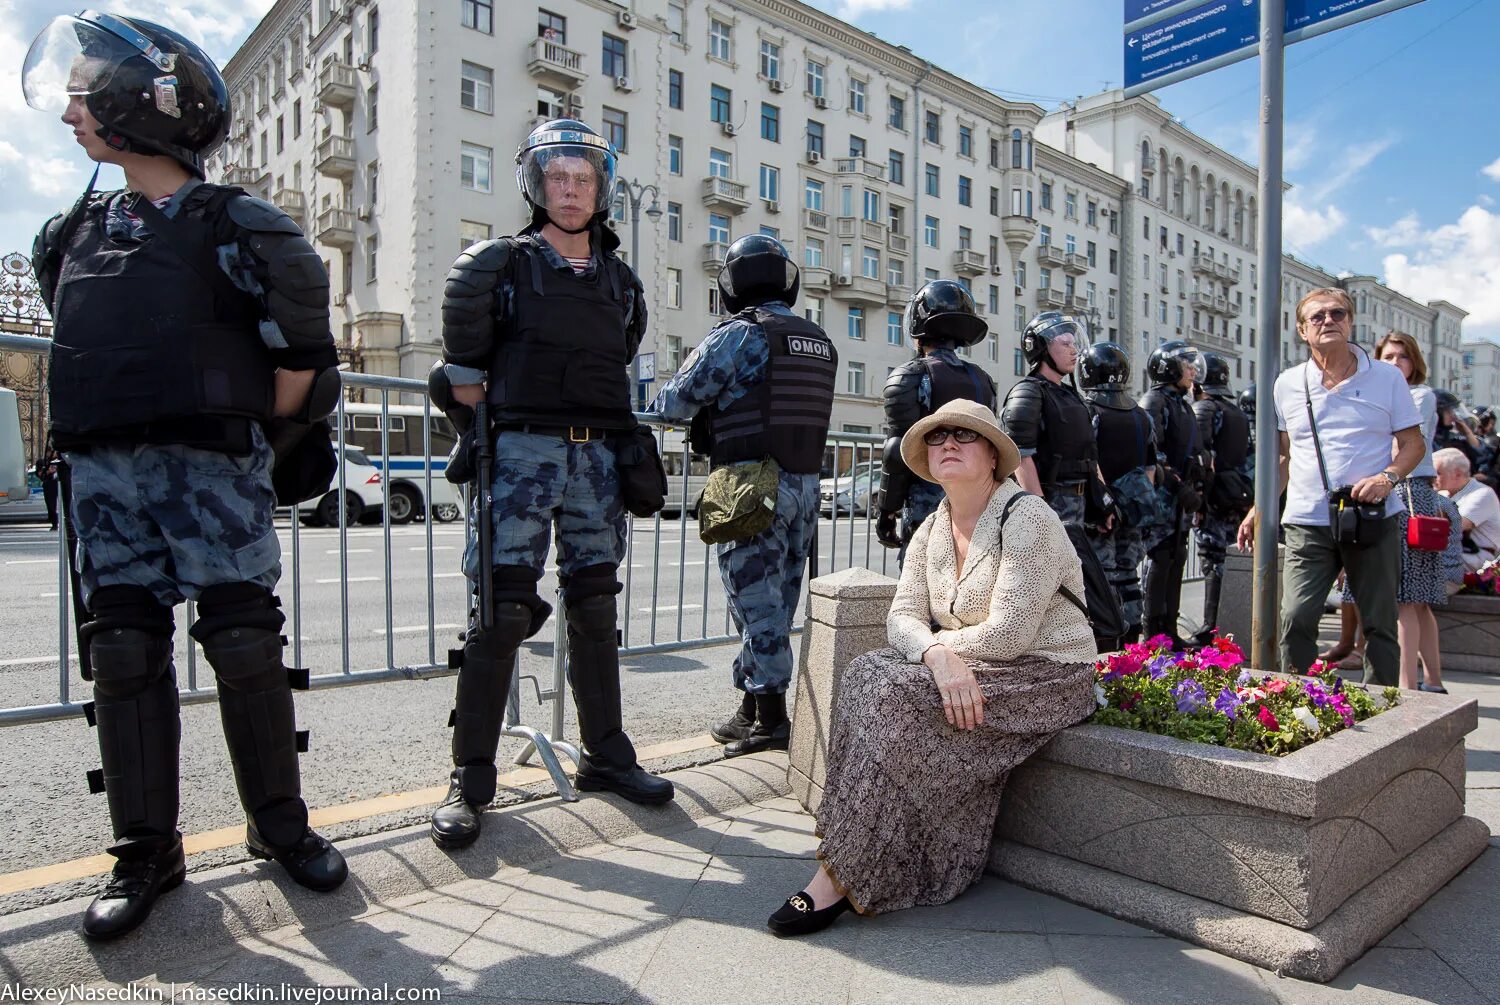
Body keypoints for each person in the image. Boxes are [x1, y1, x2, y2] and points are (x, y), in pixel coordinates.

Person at [24, 12, 347, 939]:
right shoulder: (70, 233)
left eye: (85, 95)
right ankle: (145, 850)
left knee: (244, 644)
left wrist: (251, 445)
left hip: (210, 471)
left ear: (137, 102)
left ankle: (280, 827)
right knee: (122, 657)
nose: (70, 114)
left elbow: (303, 366)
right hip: (103, 479)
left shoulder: (242, 224)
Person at [427, 118, 673, 850]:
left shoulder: (621, 282)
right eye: (558, 178)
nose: (571, 190)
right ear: (536, 185)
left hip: (597, 459)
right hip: (520, 456)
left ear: (603, 189)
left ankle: (605, 753)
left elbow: (619, 357)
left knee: (595, 605)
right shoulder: (498, 265)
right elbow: (462, 375)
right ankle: (470, 777)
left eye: (584, 178)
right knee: (500, 613)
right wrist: (516, 430)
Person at [765, 399, 1096, 936]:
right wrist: (936, 654)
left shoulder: (1029, 516)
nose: (947, 444)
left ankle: (835, 872)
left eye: (964, 436)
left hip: (1048, 674)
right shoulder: (932, 527)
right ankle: (900, 858)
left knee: (891, 694)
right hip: (977, 664)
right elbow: (901, 617)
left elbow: (1011, 633)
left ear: (993, 456)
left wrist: (940, 648)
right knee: (866, 671)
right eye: (937, 437)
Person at [647, 235, 835, 757]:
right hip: (804, 485)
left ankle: (772, 721)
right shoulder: (817, 338)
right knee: (776, 601)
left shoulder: (739, 334)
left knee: (755, 605)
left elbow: (675, 402)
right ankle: (751, 707)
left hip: (753, 484)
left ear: (733, 283)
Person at [1236, 288, 1425, 683]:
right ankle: (1298, 704)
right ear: (1303, 330)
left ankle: (1384, 709)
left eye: (1337, 313)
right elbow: (1284, 457)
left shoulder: (1387, 377)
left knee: (1379, 624)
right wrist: (1258, 509)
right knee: (1296, 617)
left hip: (1372, 517)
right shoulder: (1287, 383)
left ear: (1350, 321)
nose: (1328, 321)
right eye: (1317, 317)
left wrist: (1386, 478)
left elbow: (1413, 444)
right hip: (1308, 519)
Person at [875, 280, 994, 563]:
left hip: (926, 498)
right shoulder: (982, 379)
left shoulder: (911, 375)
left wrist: (886, 511)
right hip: (976, 498)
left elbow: (897, 453)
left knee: (921, 582)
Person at [1367, 332, 1457, 693]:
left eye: (1401, 358)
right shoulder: (1393, 394)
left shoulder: (1418, 395)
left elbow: (1398, 442)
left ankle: (1407, 687)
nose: (1394, 364)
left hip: (1408, 492)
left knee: (1407, 599)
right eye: (1387, 357)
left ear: (1414, 362)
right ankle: (1432, 681)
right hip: (1409, 491)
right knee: (1418, 602)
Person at [1078, 342, 1157, 644]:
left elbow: (1090, 461)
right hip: (1134, 509)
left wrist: (1104, 504)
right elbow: (1149, 467)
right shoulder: (1141, 415)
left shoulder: (1088, 411)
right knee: (1130, 575)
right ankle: (1132, 637)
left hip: (1101, 510)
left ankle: (1106, 642)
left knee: (1103, 576)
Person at [1000, 312, 1102, 530]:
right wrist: (1039, 511)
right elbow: (1020, 456)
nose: (1074, 350)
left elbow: (1091, 455)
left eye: (1074, 343)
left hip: (1080, 503)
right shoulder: (1028, 392)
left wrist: (1104, 501)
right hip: (1050, 501)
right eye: (1065, 344)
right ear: (1042, 348)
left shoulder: (1072, 395)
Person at [1140, 341, 1206, 646]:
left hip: (1180, 498)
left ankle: (1170, 629)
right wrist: (1177, 485)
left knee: (1178, 557)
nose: (1192, 370)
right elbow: (1151, 450)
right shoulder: (1155, 401)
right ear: (1168, 368)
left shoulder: (1181, 402)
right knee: (1161, 558)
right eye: (1185, 364)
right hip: (1162, 497)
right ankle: (1152, 633)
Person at [1192, 353, 1253, 644]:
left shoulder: (1205, 409)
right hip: (1236, 496)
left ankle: (1210, 628)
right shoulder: (1237, 412)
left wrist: (1199, 502)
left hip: (1215, 500)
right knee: (1229, 559)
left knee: (1212, 562)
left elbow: (1202, 460)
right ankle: (1226, 625)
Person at [1436, 447, 1500, 572]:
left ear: (1457, 474)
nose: (1433, 477)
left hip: (1479, 557)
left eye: (1438, 472)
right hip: (1454, 551)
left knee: (1423, 559)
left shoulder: (1482, 493)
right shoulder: (1443, 493)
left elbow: (1456, 526)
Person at [1432, 389, 1482, 471]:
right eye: (1448, 411)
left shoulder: (1451, 437)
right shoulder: (1429, 440)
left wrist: (1467, 433)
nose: (1453, 416)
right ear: (1438, 412)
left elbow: (1482, 457)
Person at [36, 451, 60, 530]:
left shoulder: (60, 461)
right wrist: (49, 471)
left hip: (58, 484)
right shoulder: (42, 462)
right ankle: (54, 522)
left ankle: (57, 522)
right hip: (49, 485)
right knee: (51, 505)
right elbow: (39, 474)